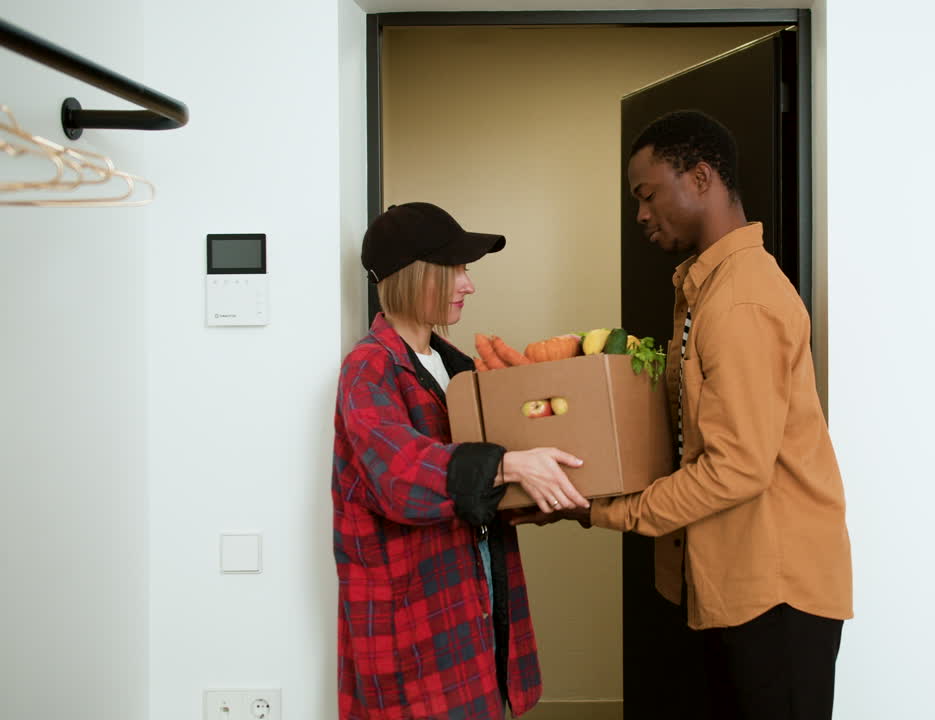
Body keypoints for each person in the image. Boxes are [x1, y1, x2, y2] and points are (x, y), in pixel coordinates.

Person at [516, 110, 853, 719]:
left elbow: (735, 469)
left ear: (700, 178)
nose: (641, 214)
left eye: (647, 195)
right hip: (729, 582)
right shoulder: (707, 289)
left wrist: (601, 511)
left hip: (775, 596)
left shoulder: (740, 301)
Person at [332, 202, 588, 720]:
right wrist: (512, 467)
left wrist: (555, 493)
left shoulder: (459, 368)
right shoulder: (369, 368)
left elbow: (484, 483)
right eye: (456, 270)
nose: (468, 284)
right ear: (414, 275)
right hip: (415, 616)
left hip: (478, 596)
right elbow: (401, 475)